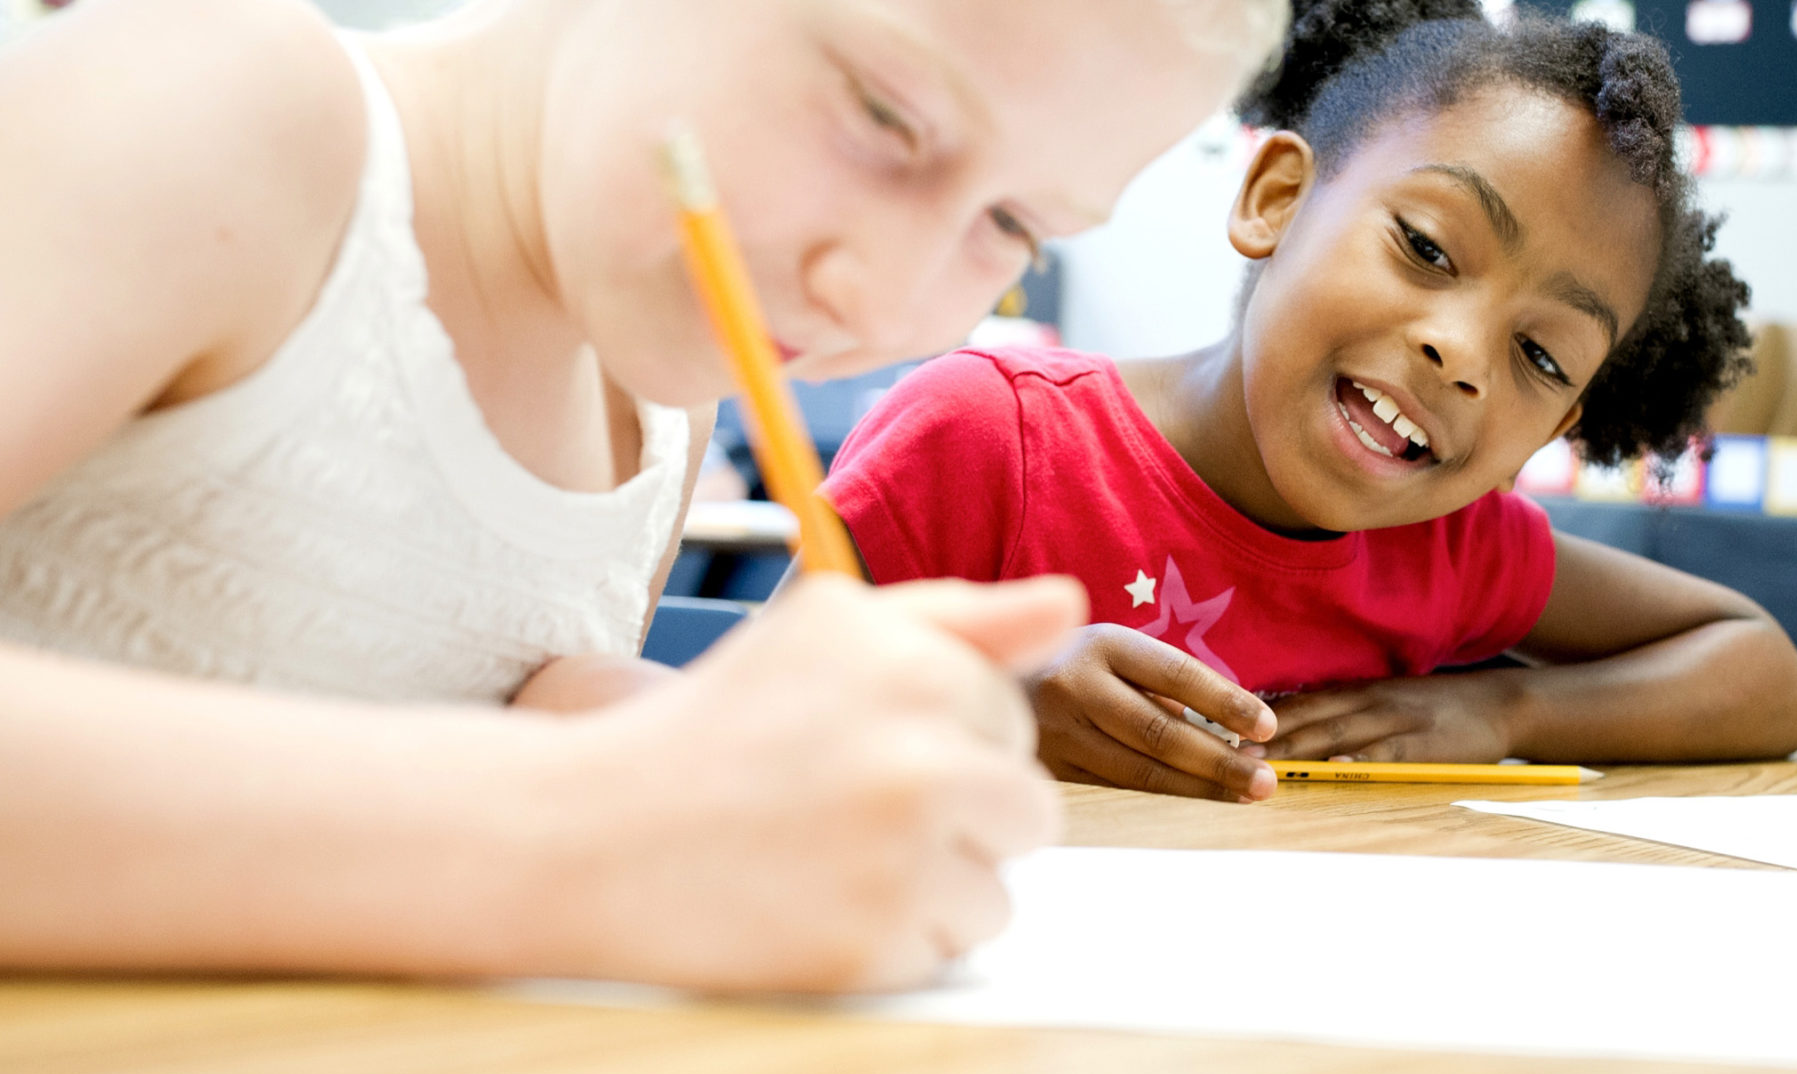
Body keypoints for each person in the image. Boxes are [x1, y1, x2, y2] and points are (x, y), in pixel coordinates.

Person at [0, 0, 1283, 992]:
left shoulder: (658, 403)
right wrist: (584, 823)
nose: (881, 297)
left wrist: (682, 748)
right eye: (884, 116)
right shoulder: (216, 101)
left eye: (1010, 222)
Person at [823, 0, 1797, 804]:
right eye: (1426, 248)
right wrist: (989, 699)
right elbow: (758, 712)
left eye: (1540, 355)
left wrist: (1506, 711)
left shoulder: (1448, 548)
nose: (1461, 353)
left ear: (1551, 430)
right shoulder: (990, 437)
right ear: (1277, 201)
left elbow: (1771, 676)